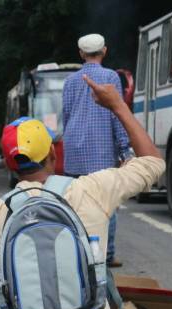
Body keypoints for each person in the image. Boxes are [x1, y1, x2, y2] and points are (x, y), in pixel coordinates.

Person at [0, 75, 165, 309]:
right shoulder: (92, 190)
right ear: (51, 153)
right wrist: (118, 107)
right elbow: (153, 163)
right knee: (95, 268)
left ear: (10, 165)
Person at [62, 33, 130, 268]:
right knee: (107, 204)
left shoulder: (70, 81)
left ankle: (78, 251)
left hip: (74, 150)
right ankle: (106, 254)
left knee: (77, 203)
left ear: (81, 54)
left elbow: (67, 116)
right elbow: (117, 114)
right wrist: (124, 150)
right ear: (104, 51)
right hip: (101, 152)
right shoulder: (111, 77)